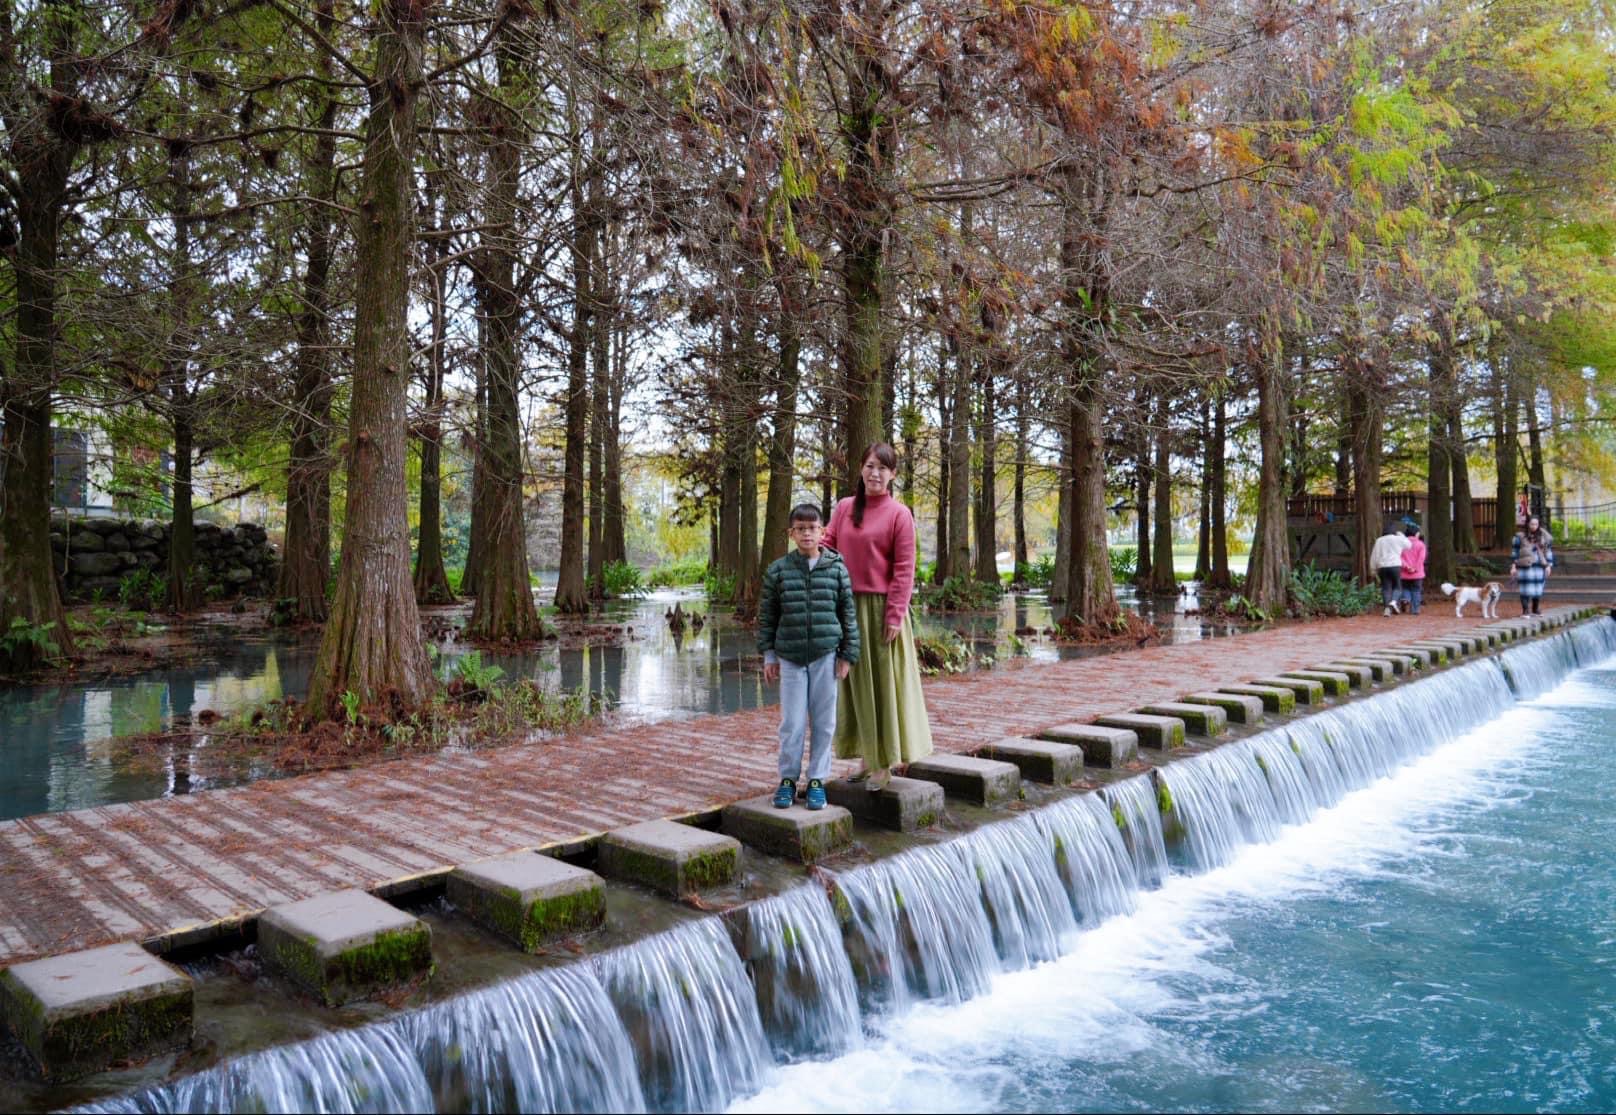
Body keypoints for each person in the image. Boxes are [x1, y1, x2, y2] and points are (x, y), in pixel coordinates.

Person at [822, 443, 933, 791]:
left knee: (882, 686)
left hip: (882, 609)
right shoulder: (844, 508)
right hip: (847, 607)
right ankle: (866, 756)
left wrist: (895, 615)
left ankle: (884, 762)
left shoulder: (900, 515)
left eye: (883, 468)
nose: (875, 473)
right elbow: (827, 545)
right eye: (870, 466)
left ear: (893, 475)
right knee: (855, 686)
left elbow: (904, 569)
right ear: (861, 468)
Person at [759, 503, 860, 811]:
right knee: (791, 722)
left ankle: (817, 779)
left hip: (826, 656)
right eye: (800, 529)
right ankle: (788, 779)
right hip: (790, 657)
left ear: (823, 532)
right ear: (791, 533)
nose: (806, 533)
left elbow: (848, 614)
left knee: (824, 721)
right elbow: (767, 616)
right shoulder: (778, 570)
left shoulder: (836, 568)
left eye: (812, 528)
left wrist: (847, 654)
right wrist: (769, 655)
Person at [1510, 515, 1554, 616]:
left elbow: (1548, 551)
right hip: (1524, 565)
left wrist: (1549, 565)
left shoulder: (1543, 536)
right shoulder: (1519, 536)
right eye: (1532, 524)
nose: (1533, 526)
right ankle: (1525, 610)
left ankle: (1535, 608)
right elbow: (1514, 552)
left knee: (1538, 587)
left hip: (1539, 564)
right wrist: (1513, 566)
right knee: (1524, 588)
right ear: (1528, 524)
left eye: (1536, 524)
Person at [1368, 522, 1411, 617]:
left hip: (1382, 567)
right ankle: (1394, 601)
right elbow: (1409, 545)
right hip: (1395, 565)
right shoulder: (1398, 539)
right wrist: (1402, 535)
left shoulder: (1379, 540)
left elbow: (1374, 555)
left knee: (1386, 588)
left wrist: (1373, 569)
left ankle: (1387, 608)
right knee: (1398, 587)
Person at [1399, 526, 1426, 615]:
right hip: (1417, 574)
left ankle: (1406, 599)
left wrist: (1407, 567)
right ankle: (1415, 610)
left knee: (1405, 588)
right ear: (1416, 534)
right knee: (1416, 591)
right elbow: (1421, 558)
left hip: (1404, 573)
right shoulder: (1421, 544)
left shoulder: (1402, 545)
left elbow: (1400, 558)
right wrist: (1415, 568)